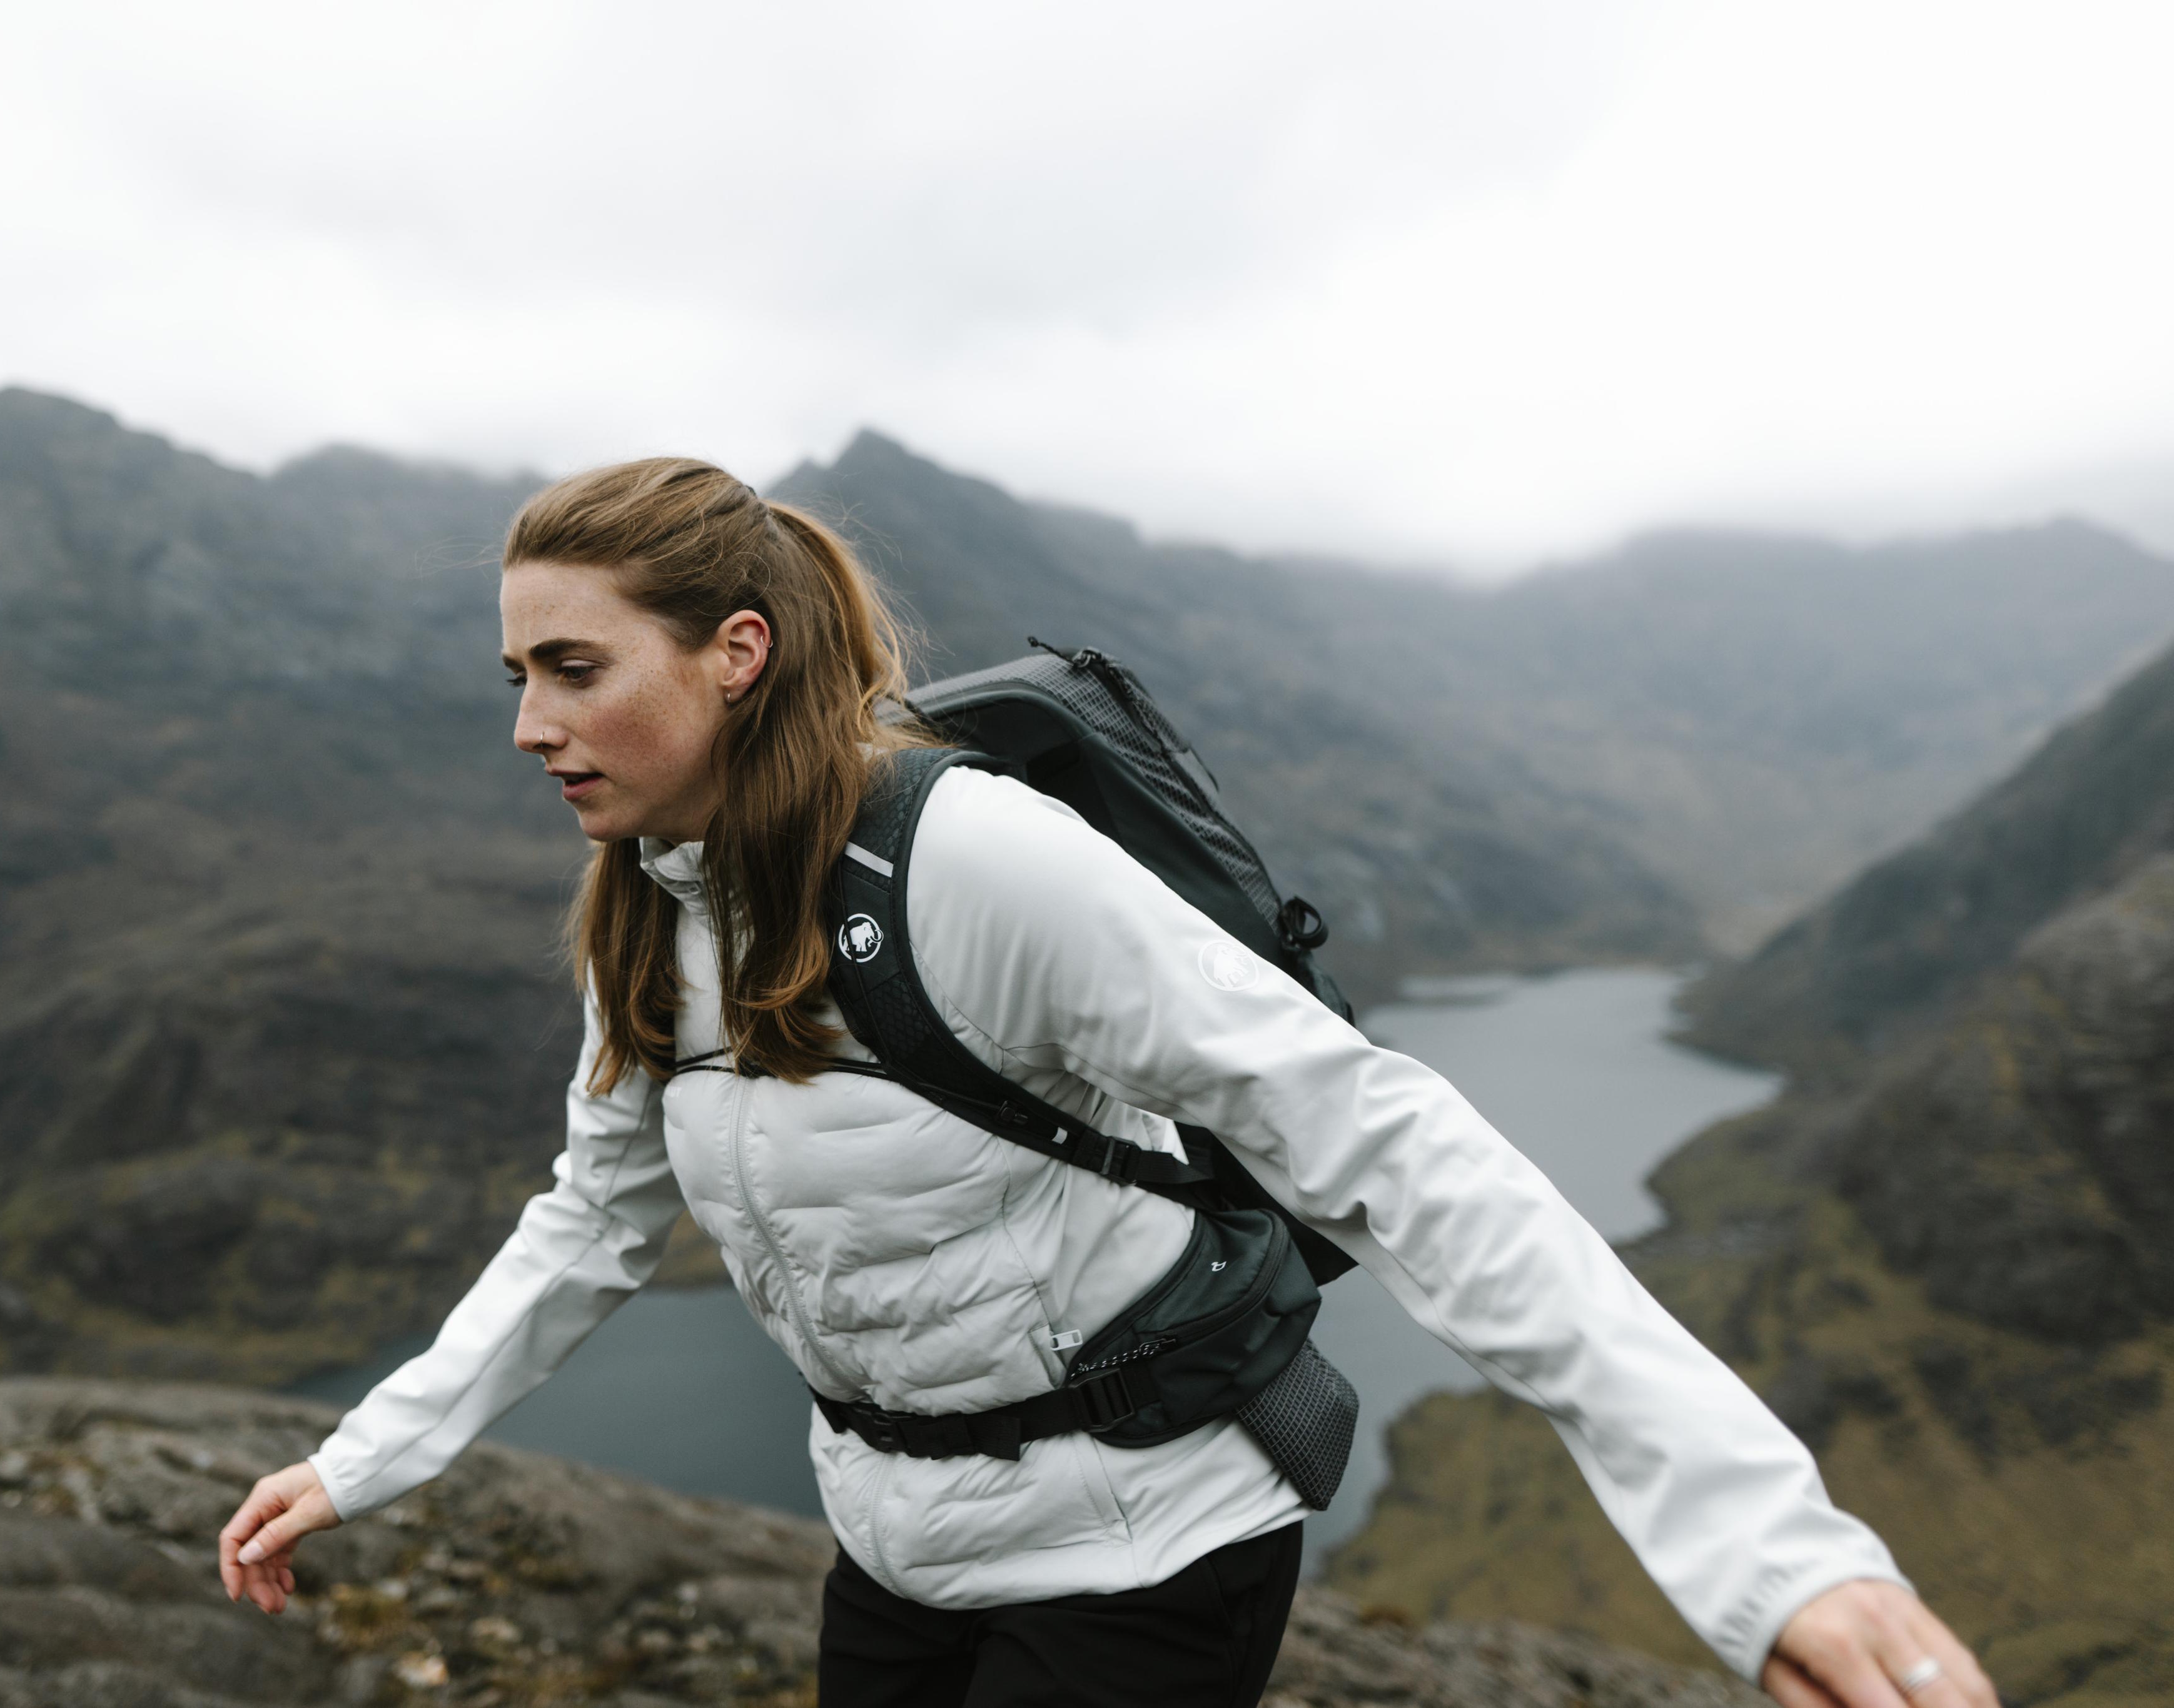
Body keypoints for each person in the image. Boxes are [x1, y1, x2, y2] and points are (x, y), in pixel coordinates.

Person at [219, 458, 1996, 1708]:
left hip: (1148, 1545)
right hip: (900, 1546)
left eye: (573, 669)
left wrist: (1769, 1553)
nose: (527, 725)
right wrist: (364, 1456)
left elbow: (1391, 1144)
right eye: (518, 673)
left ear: (734, 651)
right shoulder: (646, 914)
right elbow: (588, 1224)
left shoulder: (973, 864)